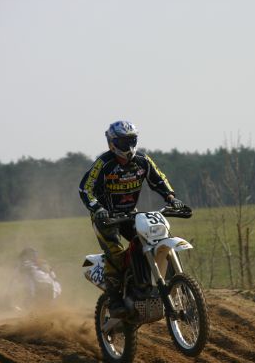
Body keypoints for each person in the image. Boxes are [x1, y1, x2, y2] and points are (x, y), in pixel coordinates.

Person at [78, 120, 184, 317]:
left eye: (131, 140)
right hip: (105, 218)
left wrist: (171, 197)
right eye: (123, 141)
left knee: (151, 240)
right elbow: (85, 188)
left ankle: (150, 283)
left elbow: (158, 179)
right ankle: (114, 300)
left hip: (130, 214)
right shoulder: (104, 164)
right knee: (116, 253)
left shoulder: (142, 160)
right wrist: (98, 208)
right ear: (112, 143)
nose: (128, 145)